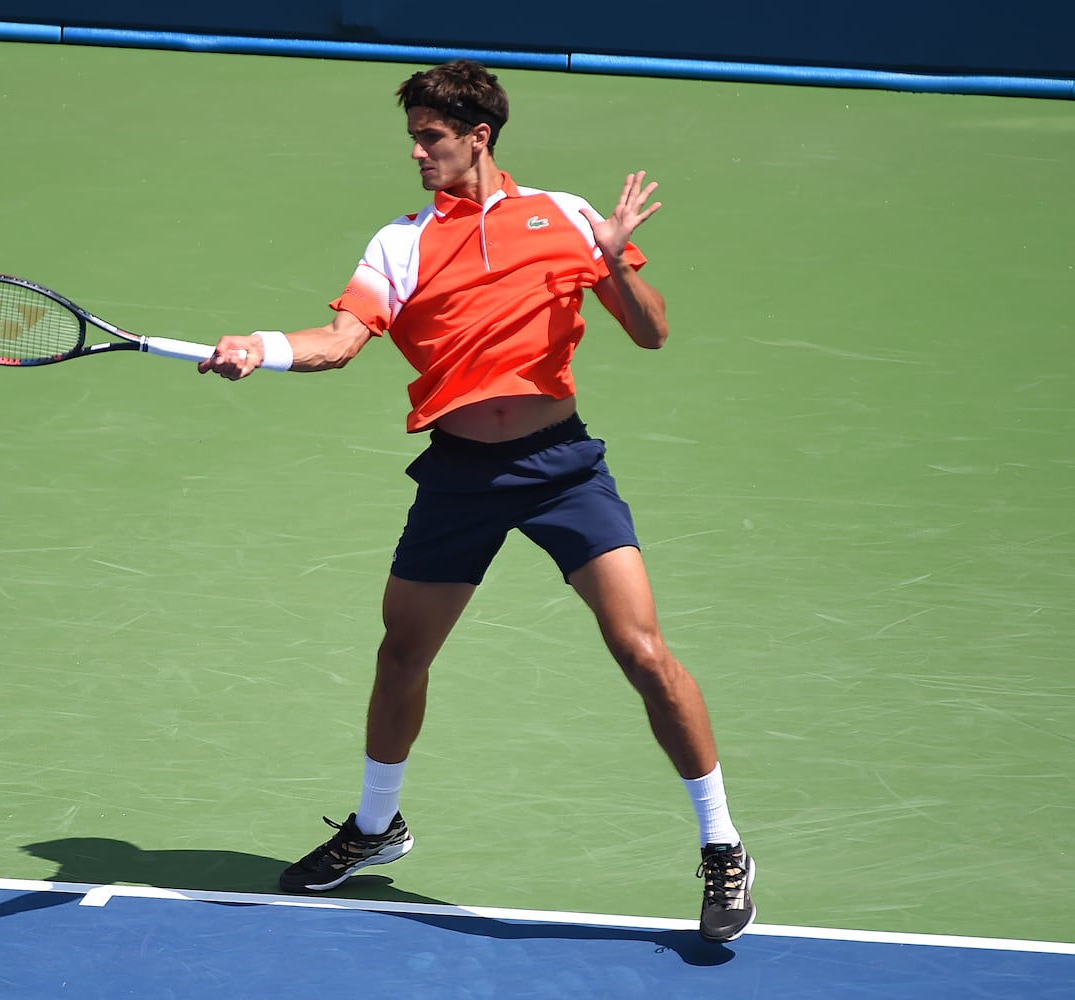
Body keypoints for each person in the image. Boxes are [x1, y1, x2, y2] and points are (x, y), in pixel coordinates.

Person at [197, 59, 755, 944]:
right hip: (459, 474)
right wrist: (258, 347)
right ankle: (377, 827)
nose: (417, 152)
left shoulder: (567, 217)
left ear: (477, 136)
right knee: (401, 654)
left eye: (431, 137)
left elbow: (650, 333)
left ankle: (721, 845)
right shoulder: (400, 241)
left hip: (561, 466)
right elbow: (340, 342)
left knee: (642, 651)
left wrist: (610, 257)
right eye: (412, 137)